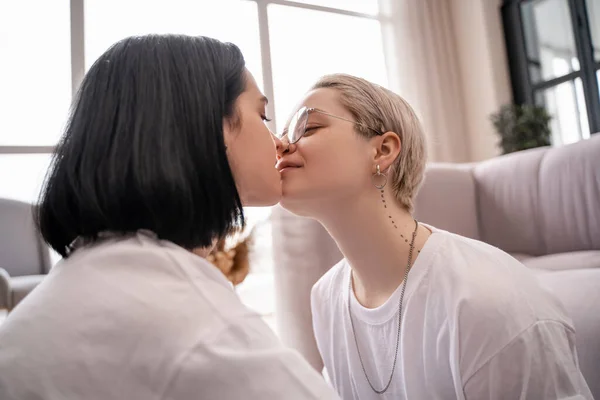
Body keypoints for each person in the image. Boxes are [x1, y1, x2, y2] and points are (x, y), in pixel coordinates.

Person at [0, 35, 339, 400]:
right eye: (262, 115)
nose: (280, 142)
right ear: (206, 125)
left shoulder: (76, 284)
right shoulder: (199, 327)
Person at [275, 73, 593, 399]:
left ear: (382, 150)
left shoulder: (487, 302)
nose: (281, 145)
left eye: (307, 128)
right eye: (282, 133)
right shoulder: (326, 297)